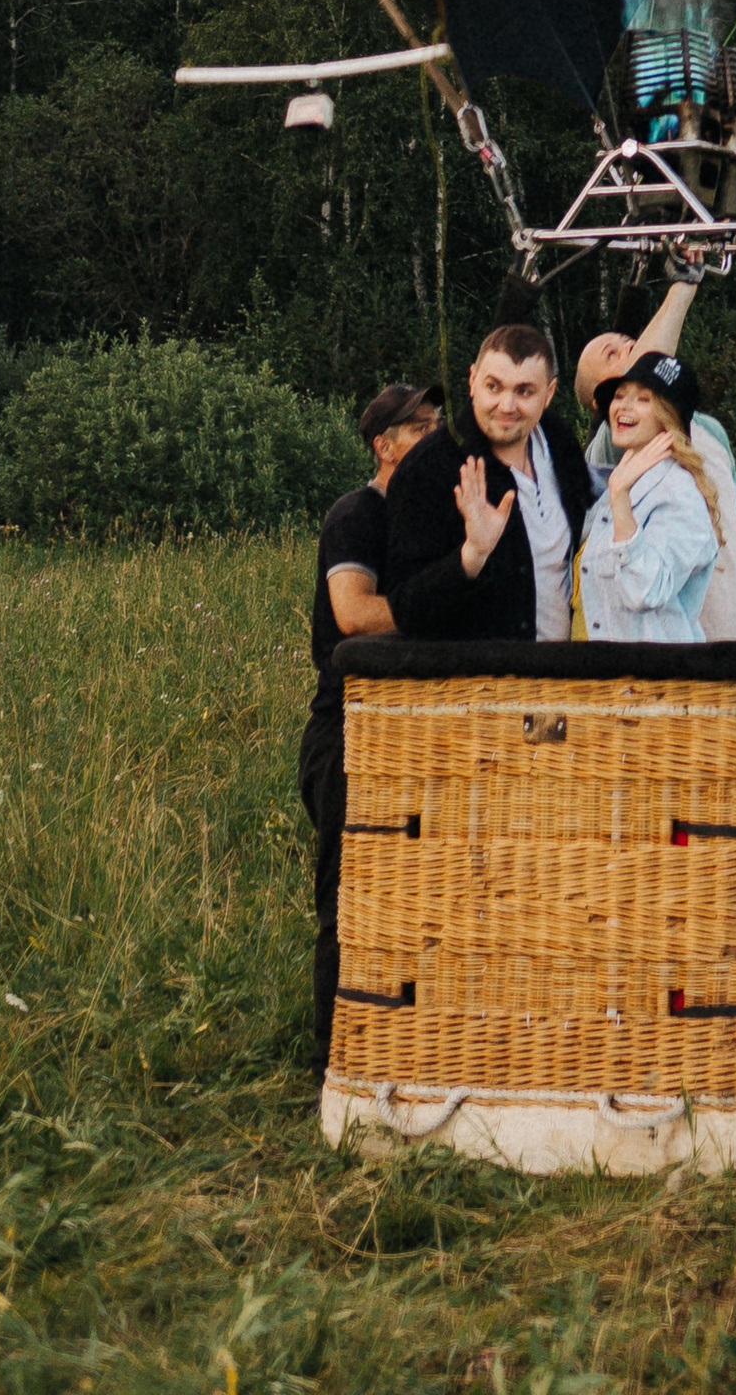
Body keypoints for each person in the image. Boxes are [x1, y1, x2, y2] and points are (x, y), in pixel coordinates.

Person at [297, 377, 442, 1076]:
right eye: (419, 429)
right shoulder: (357, 515)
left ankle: (400, 1047)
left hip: (410, 729)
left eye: (439, 425)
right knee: (349, 895)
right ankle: (336, 1058)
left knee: (411, 896)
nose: (435, 438)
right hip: (347, 728)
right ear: (385, 446)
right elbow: (354, 614)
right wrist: (445, 603)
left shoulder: (427, 517)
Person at [573, 316, 736, 627]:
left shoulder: (706, 440)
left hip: (706, 646)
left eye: (629, 340)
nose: (629, 347)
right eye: (610, 354)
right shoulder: (612, 446)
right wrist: (684, 286)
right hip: (660, 652)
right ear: (601, 404)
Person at [576, 352, 725, 645]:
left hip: (653, 683)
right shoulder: (624, 480)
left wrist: (620, 499)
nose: (624, 407)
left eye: (644, 399)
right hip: (604, 679)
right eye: (620, 395)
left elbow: (646, 590)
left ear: (668, 416)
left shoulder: (679, 493)